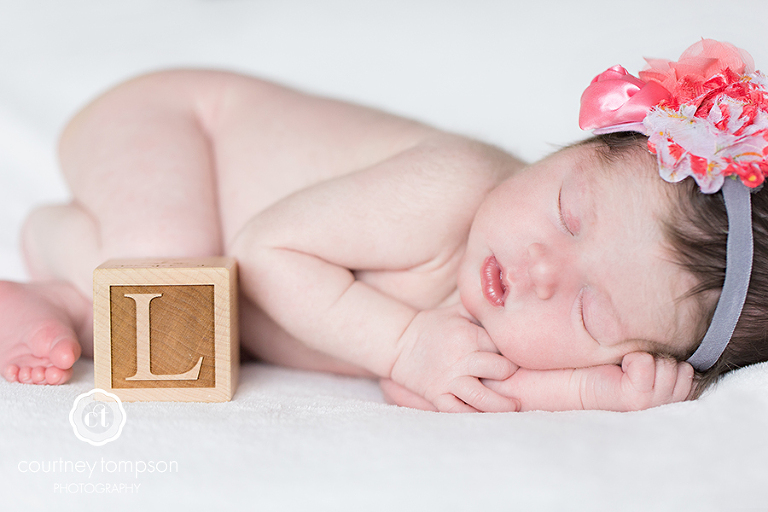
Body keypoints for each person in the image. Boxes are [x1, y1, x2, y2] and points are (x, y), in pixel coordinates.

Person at [2, 39, 765, 413]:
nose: (540, 268)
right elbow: (265, 251)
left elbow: (444, 390)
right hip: (175, 132)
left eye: (588, 310)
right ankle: (67, 255)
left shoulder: (494, 321)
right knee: (170, 277)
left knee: (192, 321)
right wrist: (403, 343)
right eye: (568, 212)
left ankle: (73, 270)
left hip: (219, 252)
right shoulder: (454, 187)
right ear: (566, 149)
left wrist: (595, 394)